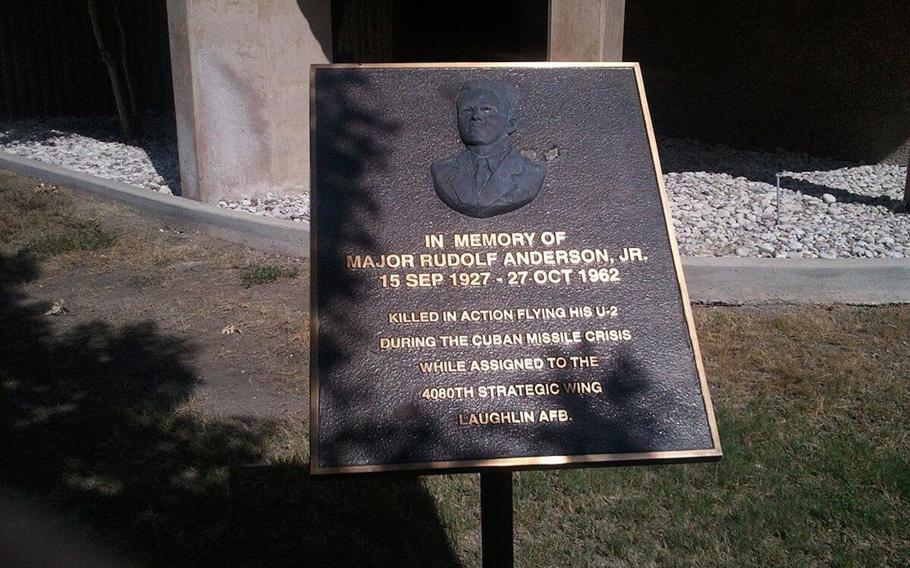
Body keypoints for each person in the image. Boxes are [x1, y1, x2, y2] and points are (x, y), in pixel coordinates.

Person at [431, 79, 546, 218]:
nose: (476, 117)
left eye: (486, 110)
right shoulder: (442, 172)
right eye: (467, 111)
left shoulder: (532, 173)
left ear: (510, 124)